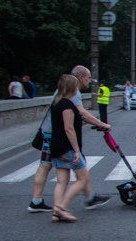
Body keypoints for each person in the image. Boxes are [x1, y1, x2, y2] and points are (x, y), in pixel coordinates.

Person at [27, 65, 111, 213]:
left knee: (45, 166)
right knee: (79, 168)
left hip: (48, 133)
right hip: (59, 137)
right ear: (81, 77)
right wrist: (102, 124)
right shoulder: (73, 93)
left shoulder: (61, 91)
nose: (90, 80)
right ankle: (81, 201)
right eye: (89, 77)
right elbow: (81, 114)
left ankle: (37, 201)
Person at [49, 74, 86, 222]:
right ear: (73, 88)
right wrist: (76, 150)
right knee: (83, 179)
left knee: (61, 181)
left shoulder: (56, 103)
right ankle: (61, 208)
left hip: (56, 147)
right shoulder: (67, 105)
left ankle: (56, 213)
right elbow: (69, 128)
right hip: (67, 148)